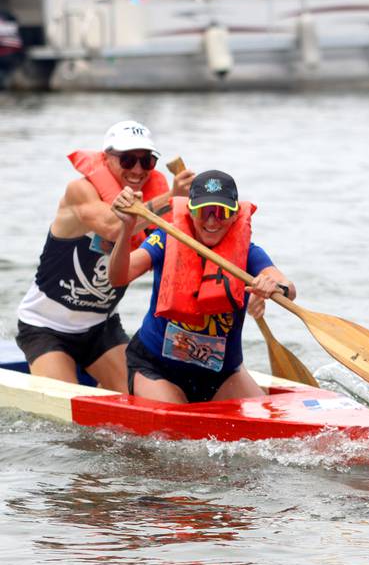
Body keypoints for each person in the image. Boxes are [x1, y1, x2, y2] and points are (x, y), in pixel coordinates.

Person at [15, 120, 194, 392]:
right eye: (127, 159)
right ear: (106, 158)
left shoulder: (154, 201)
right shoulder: (80, 190)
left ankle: (103, 388)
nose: (137, 170)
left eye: (146, 161)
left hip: (101, 328)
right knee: (67, 419)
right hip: (46, 328)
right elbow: (112, 225)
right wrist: (171, 198)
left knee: (141, 397)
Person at [109, 170, 296, 404]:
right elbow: (118, 277)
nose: (211, 221)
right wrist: (126, 229)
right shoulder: (166, 239)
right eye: (203, 211)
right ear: (189, 211)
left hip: (222, 375)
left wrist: (274, 286)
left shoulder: (248, 253)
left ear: (236, 214)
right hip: (158, 368)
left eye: (221, 212)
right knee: (175, 430)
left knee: (268, 430)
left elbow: (287, 286)